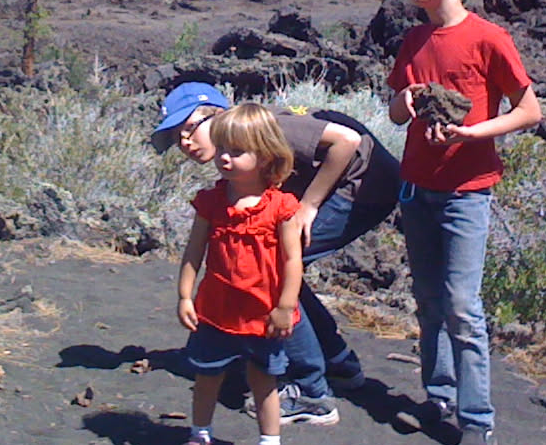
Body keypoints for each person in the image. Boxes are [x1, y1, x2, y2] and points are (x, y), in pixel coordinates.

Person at [153, 80, 402, 425]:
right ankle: (338, 362)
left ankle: (311, 392)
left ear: (216, 114)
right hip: (364, 185)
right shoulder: (239, 147)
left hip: (363, 187)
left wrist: (309, 205)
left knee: (274, 272)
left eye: (189, 128)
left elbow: (347, 140)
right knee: (282, 273)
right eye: (176, 137)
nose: (184, 142)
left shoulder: (267, 126)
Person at [384, 0, 541, 445]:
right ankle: (439, 397)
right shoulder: (413, 41)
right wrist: (405, 101)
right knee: (428, 300)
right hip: (416, 186)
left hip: (466, 192)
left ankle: (477, 422)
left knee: (461, 306)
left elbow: (529, 111)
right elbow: (396, 113)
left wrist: (473, 134)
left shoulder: (487, 38)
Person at [174, 103, 302, 445]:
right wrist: (184, 295)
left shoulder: (280, 206)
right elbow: (194, 251)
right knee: (207, 376)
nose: (225, 158)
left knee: (264, 380)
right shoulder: (212, 202)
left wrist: (285, 305)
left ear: (266, 156)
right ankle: (200, 435)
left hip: (264, 314)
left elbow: (293, 260)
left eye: (237, 151)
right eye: (222, 149)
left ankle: (270, 444)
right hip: (216, 310)